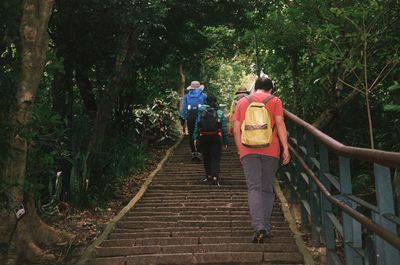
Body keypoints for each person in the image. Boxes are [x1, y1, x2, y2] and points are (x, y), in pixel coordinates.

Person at [233, 76, 290, 243]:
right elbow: (280, 124)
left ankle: (258, 226)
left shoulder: (242, 102)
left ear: (255, 88)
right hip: (271, 149)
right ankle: (265, 225)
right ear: (270, 89)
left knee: (254, 188)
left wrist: (239, 150)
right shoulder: (275, 101)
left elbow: (236, 129)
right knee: (266, 188)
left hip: (248, 149)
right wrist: (285, 148)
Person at [193, 94, 228, 186]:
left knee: (206, 157)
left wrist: (195, 137)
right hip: (216, 137)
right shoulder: (219, 113)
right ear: (216, 102)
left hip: (203, 137)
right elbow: (224, 128)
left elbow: (197, 125)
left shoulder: (201, 112)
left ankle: (208, 175)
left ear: (206, 102)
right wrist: (225, 141)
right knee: (215, 157)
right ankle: (215, 176)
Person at [180, 81, 207, 161]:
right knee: (201, 133)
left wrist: (182, 117)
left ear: (190, 88)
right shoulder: (204, 95)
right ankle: (199, 152)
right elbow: (207, 107)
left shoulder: (186, 96)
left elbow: (184, 108)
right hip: (201, 116)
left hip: (190, 117)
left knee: (191, 134)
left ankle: (193, 152)